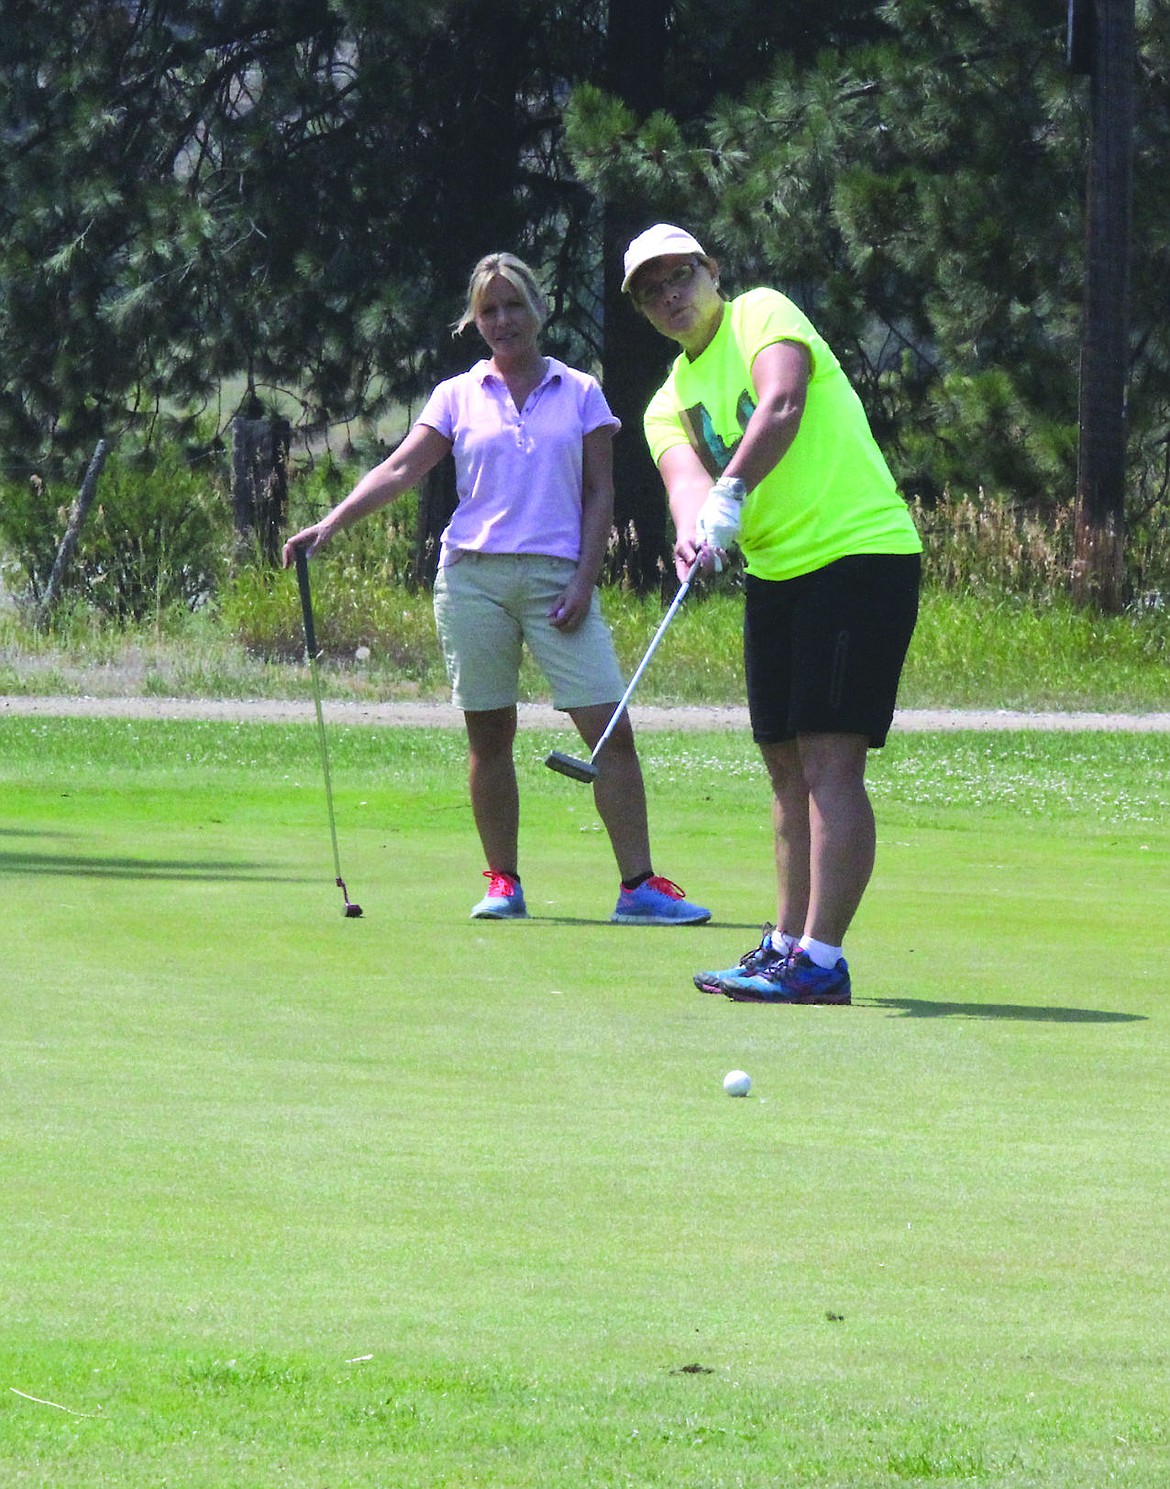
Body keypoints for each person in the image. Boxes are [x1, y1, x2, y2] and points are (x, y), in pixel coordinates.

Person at [283, 251, 709, 927]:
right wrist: (329, 524)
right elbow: (400, 469)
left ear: (537, 309)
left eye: (513, 305)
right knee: (489, 736)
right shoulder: (458, 394)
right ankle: (503, 881)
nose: (502, 320)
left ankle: (638, 887)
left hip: (556, 579)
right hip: (471, 578)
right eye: (489, 310)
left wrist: (584, 576)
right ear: (475, 319)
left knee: (610, 731)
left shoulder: (580, 391)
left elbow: (601, 494)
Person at [621, 223, 921, 1003]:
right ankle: (784, 941)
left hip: (857, 554)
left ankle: (821, 959)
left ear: (710, 271)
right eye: (651, 290)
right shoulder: (668, 400)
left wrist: (732, 492)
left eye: (679, 276)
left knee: (829, 760)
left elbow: (781, 401)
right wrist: (698, 536)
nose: (669, 295)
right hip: (779, 574)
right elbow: (687, 482)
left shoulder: (760, 311)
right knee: (784, 763)